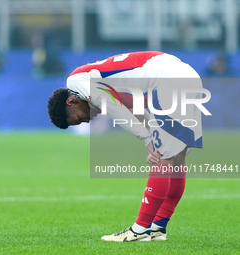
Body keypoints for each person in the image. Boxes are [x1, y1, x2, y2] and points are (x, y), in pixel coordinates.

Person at [47, 51, 204, 242]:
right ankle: (157, 228)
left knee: (163, 156)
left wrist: (148, 140)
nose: (86, 121)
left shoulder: (75, 82)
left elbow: (114, 108)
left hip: (169, 79)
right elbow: (135, 110)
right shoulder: (107, 85)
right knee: (177, 159)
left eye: (79, 118)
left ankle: (139, 230)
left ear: (71, 101)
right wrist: (151, 136)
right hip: (186, 76)